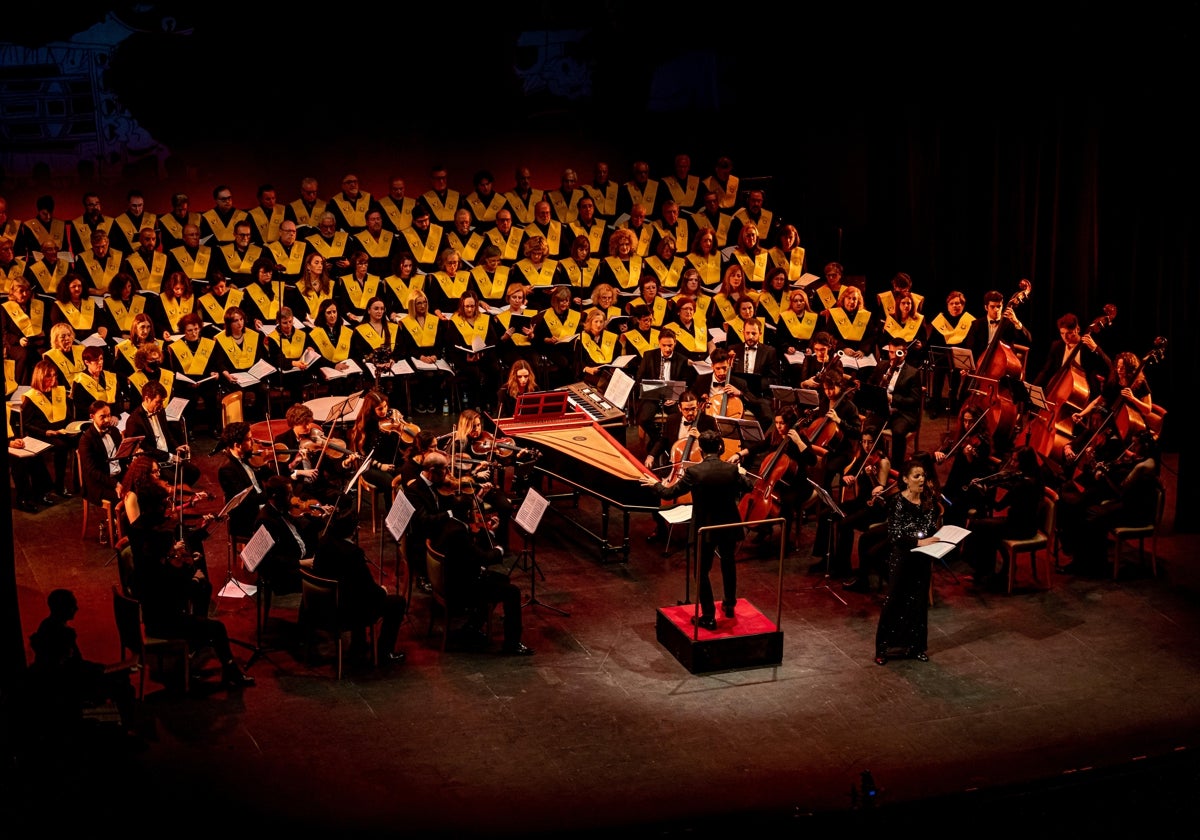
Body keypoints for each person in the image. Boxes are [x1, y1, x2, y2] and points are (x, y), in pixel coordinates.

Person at [122, 453, 256, 689]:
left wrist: (184, 553)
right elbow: (166, 580)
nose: (170, 511)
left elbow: (163, 570)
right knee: (217, 626)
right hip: (163, 617)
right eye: (166, 507)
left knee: (201, 588)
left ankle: (199, 640)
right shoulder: (157, 540)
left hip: (158, 605)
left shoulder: (149, 536)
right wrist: (189, 574)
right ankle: (230, 670)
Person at [642, 430, 756, 630]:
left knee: (702, 572)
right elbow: (749, 487)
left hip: (705, 527)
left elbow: (669, 493)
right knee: (728, 564)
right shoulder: (731, 470)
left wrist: (656, 484)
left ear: (701, 450)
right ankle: (729, 605)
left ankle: (709, 616)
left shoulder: (694, 473)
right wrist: (742, 473)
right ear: (720, 448)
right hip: (728, 525)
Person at [428, 491, 533, 656]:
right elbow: (482, 558)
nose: (477, 514)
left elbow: (470, 548)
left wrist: (490, 532)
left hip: (452, 579)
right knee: (512, 592)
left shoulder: (451, 524)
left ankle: (473, 626)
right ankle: (512, 644)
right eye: (474, 510)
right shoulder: (458, 533)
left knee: (502, 579)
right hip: (459, 590)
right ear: (468, 513)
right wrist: (498, 549)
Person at [27, 588, 137, 737]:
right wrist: (101, 669)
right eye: (73, 605)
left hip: (59, 679)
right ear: (63, 608)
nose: (76, 608)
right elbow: (74, 667)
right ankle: (127, 729)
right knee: (123, 685)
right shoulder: (64, 634)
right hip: (68, 683)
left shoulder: (46, 625)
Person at [1057, 429, 1162, 577]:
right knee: (1088, 510)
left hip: (1136, 510)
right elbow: (1129, 459)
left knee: (1092, 516)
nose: (1133, 448)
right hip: (1130, 503)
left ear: (1145, 445)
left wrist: (1105, 473)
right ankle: (1088, 561)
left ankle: (1093, 565)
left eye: (1135, 444)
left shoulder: (1143, 466)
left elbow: (1121, 490)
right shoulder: (1144, 459)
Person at [313, 509, 409, 665]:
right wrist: (382, 592)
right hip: (344, 612)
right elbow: (367, 590)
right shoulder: (352, 553)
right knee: (397, 603)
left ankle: (359, 644)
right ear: (353, 530)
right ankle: (384, 652)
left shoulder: (323, 541)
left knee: (353, 594)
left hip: (323, 605)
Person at [873, 457, 944, 665]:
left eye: (923, 476)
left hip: (921, 561)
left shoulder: (928, 502)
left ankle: (917, 646)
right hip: (903, 559)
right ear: (905, 479)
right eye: (917, 476)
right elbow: (895, 535)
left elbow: (930, 529)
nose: (922, 480)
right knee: (894, 600)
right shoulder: (897, 502)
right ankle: (883, 649)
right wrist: (920, 542)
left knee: (919, 603)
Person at [961, 446, 1046, 591]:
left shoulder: (1023, 485)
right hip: (1026, 524)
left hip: (1019, 528)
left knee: (977, 526)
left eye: (1015, 461)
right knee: (986, 528)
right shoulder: (1035, 477)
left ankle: (981, 570)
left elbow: (998, 506)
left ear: (1024, 463)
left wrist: (984, 490)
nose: (1012, 463)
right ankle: (988, 571)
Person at [836, 425, 894, 592]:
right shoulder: (863, 457)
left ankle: (854, 574)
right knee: (832, 513)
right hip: (861, 502)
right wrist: (846, 477)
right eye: (864, 442)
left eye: (870, 442)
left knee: (845, 523)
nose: (867, 446)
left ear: (877, 442)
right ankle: (839, 564)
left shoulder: (882, 461)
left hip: (874, 508)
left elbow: (879, 492)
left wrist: (871, 476)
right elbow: (849, 475)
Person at [122, 380, 201, 488]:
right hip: (154, 461)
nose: (161, 405)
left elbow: (167, 433)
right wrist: (169, 456)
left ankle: (177, 492)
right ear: (147, 399)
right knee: (176, 480)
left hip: (168, 455)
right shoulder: (134, 421)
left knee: (194, 472)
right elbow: (145, 448)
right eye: (158, 402)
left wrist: (176, 446)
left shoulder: (160, 411)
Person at [21, 359, 77, 498]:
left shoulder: (59, 391)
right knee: (61, 447)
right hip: (41, 433)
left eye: (54, 375)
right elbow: (26, 424)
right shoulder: (31, 397)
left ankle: (79, 482)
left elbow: (69, 416)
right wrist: (45, 432)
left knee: (82, 441)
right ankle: (57, 484)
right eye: (48, 376)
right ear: (40, 376)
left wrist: (72, 428)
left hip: (61, 431)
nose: (52, 380)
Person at [634, 326, 696, 448]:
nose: (667, 348)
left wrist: (676, 398)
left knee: (676, 418)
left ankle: (673, 443)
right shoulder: (648, 356)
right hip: (652, 397)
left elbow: (685, 383)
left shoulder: (682, 359)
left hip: (672, 398)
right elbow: (639, 380)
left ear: (675, 343)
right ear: (659, 343)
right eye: (664, 345)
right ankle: (659, 441)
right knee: (644, 419)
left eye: (670, 345)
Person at [445, 289, 501, 413]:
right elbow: (452, 345)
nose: (469, 309)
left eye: (472, 306)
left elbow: (493, 340)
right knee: (473, 372)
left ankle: (491, 403)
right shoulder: (455, 320)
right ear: (462, 306)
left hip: (484, 355)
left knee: (494, 369)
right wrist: (466, 357)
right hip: (463, 358)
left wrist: (483, 353)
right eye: (467, 306)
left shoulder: (485, 319)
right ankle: (474, 405)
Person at [396, 290, 451, 414]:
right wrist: (421, 357)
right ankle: (420, 400)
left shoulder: (434, 320)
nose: (422, 306)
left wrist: (435, 355)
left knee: (436, 372)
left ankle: (432, 400)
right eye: (419, 303)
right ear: (412, 305)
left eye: (424, 302)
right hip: (414, 356)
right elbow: (406, 347)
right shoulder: (404, 323)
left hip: (433, 356)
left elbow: (440, 342)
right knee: (425, 373)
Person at [215, 420, 272, 541]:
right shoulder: (227, 470)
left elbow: (270, 476)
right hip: (248, 517)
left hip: (263, 507)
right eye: (249, 439)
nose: (253, 442)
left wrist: (267, 461)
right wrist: (272, 494)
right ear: (237, 445)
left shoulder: (248, 457)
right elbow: (247, 500)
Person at [166, 312, 221, 433]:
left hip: (206, 381)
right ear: (183, 331)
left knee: (211, 396)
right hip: (186, 383)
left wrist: (215, 373)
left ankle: (213, 428)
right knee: (189, 397)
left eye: (196, 329)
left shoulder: (208, 344)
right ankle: (188, 429)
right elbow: (176, 371)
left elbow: (214, 365)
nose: (194, 333)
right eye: (190, 330)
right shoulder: (176, 347)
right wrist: (189, 382)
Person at [925, 290, 976, 417]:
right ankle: (935, 407)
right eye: (952, 303)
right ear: (947, 305)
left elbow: (970, 344)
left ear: (962, 306)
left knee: (954, 385)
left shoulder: (968, 321)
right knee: (937, 384)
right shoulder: (941, 320)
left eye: (958, 303)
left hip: (958, 360)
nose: (955, 306)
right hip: (941, 359)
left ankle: (953, 407)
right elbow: (931, 342)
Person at [76, 399, 125, 509]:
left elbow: (122, 457)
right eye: (102, 417)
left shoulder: (115, 431)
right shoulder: (86, 440)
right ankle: (118, 523)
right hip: (99, 484)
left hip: (117, 476)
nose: (108, 419)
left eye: (109, 415)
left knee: (142, 489)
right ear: (92, 416)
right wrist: (115, 484)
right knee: (125, 497)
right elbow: (92, 472)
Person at [532, 286, 581, 389]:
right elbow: (537, 338)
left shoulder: (574, 315)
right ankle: (562, 388)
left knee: (578, 359)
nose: (564, 303)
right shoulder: (544, 316)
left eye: (566, 301)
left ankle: (576, 387)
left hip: (569, 347)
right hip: (551, 348)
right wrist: (548, 340)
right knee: (564, 362)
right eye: (561, 301)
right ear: (555, 301)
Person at [3, 275, 49, 384]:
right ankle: (19, 385)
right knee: (24, 354)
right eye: (21, 291)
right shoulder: (5, 308)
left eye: (27, 290)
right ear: (13, 292)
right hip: (14, 344)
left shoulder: (37, 306)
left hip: (36, 342)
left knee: (47, 354)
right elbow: (4, 332)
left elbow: (47, 324)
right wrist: (18, 340)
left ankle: (43, 385)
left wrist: (44, 333)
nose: (25, 294)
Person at [52, 273, 108, 344]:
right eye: (74, 286)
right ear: (66, 288)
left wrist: (102, 335)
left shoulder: (90, 301)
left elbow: (101, 322)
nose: (77, 289)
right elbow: (58, 328)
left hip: (94, 341)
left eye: (79, 286)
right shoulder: (58, 305)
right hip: (71, 343)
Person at [70, 344, 120, 417]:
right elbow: (80, 407)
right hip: (91, 418)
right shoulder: (79, 380)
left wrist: (115, 415)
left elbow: (118, 400)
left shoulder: (110, 376)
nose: (100, 362)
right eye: (96, 360)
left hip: (112, 417)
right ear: (87, 362)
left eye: (101, 358)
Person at [337, 249, 383, 323]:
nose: (364, 266)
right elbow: (343, 302)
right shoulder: (345, 280)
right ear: (354, 265)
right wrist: (348, 314)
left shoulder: (375, 280)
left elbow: (380, 300)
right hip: (353, 316)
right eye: (360, 264)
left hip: (372, 316)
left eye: (365, 264)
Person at [213, 220, 262, 287]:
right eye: (242, 235)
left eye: (248, 235)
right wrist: (229, 283)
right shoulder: (222, 252)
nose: (245, 238)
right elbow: (219, 273)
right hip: (231, 289)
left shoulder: (259, 251)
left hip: (253, 289)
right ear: (235, 234)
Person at [426, 247, 472, 318]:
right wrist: (440, 315)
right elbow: (433, 303)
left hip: (464, 315)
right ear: (444, 263)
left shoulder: (465, 276)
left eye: (455, 262)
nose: (453, 266)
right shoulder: (437, 277)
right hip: (444, 316)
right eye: (449, 263)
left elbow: (471, 297)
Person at [353, 208, 399, 279]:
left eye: (378, 219)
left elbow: (396, 259)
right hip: (368, 277)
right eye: (373, 219)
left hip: (391, 276)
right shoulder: (358, 239)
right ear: (367, 222)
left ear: (381, 220)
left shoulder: (391, 236)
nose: (376, 221)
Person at [306, 212, 353, 277]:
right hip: (322, 277)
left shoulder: (345, 238)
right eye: (325, 227)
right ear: (320, 226)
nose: (329, 230)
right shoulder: (310, 241)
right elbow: (307, 263)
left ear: (335, 225)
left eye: (331, 226)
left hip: (344, 275)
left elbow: (354, 257)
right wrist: (321, 266)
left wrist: (349, 264)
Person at [596, 228, 643, 293]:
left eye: (627, 244)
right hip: (616, 297)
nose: (624, 247)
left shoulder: (638, 260)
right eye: (621, 244)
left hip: (636, 297)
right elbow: (603, 283)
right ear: (616, 246)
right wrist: (611, 289)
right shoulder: (607, 262)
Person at [285, 176, 326, 240]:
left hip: (320, 241)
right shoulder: (291, 207)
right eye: (309, 193)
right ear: (302, 191)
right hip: (300, 241)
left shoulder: (324, 206)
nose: (312, 195)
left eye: (314, 192)